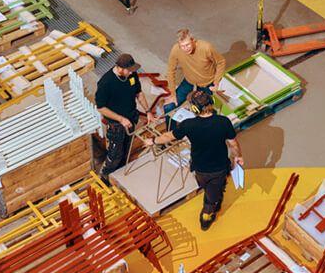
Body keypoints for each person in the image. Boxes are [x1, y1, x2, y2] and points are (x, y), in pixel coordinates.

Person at [152, 90, 243, 230]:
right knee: (211, 199)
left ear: (194, 108)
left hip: (199, 168)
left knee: (208, 189)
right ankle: (206, 219)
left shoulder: (188, 124)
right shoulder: (223, 122)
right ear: (211, 103)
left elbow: (168, 137)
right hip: (218, 169)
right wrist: (238, 156)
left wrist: (153, 140)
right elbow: (233, 144)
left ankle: (213, 200)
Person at [95, 53, 155, 184]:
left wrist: (148, 111)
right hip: (116, 125)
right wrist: (121, 119)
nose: (131, 73)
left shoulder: (132, 75)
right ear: (120, 68)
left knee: (126, 149)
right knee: (114, 155)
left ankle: (120, 176)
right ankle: (105, 178)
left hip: (131, 118)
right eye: (129, 70)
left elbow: (138, 93)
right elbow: (101, 107)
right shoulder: (106, 82)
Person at [164, 29, 226, 113]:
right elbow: (170, 71)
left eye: (187, 45)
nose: (185, 49)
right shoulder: (176, 49)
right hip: (189, 81)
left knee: (208, 112)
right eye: (182, 46)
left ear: (193, 40)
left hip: (207, 84)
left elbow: (221, 62)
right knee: (168, 107)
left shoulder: (206, 47)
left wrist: (216, 82)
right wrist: (173, 94)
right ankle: (171, 126)